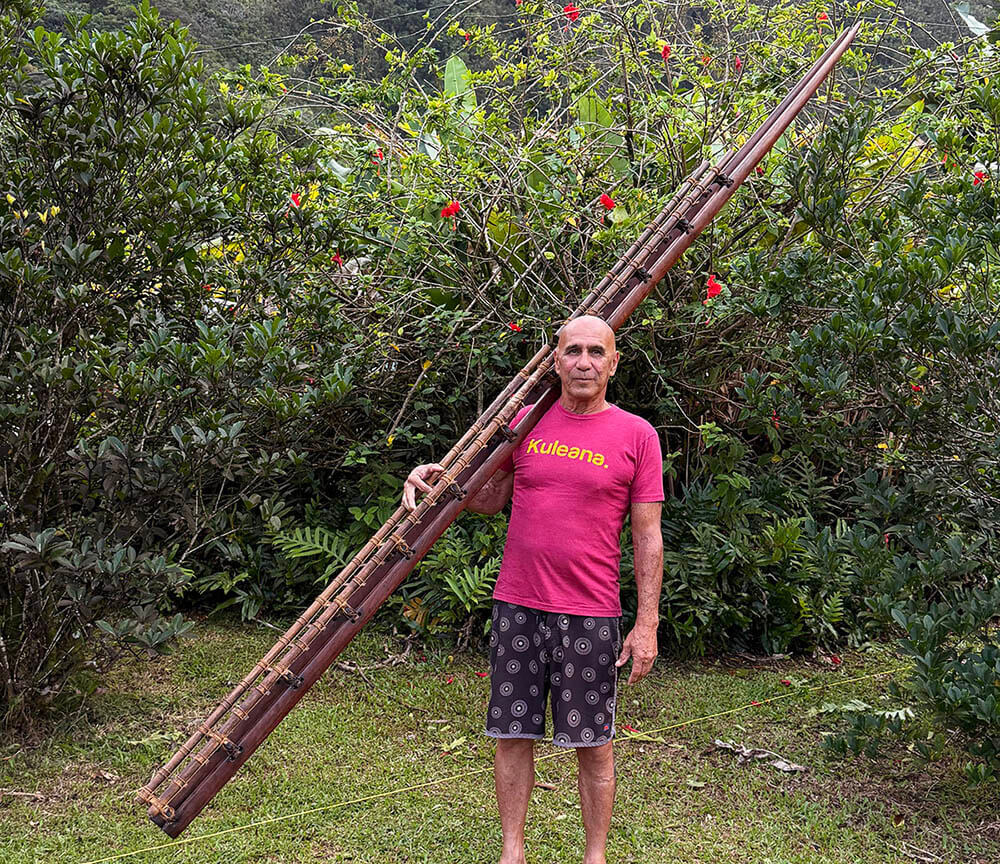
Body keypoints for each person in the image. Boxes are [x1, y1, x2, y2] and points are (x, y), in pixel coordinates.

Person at [403, 315, 664, 864]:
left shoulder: (637, 436)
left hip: (591, 612)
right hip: (518, 604)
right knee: (512, 733)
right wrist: (430, 478)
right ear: (555, 361)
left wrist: (646, 624)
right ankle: (512, 852)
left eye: (597, 352)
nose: (584, 362)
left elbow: (647, 536)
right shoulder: (525, 423)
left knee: (594, 744)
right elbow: (487, 497)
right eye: (573, 351)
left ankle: (595, 857)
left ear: (614, 363)